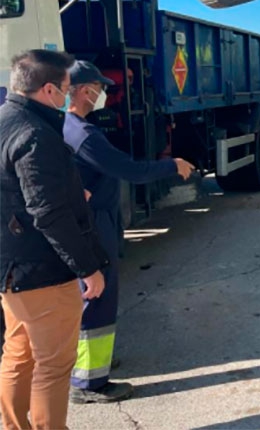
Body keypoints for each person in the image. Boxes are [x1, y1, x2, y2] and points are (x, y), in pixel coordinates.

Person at [62, 60, 195, 404]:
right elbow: (128, 170)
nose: (103, 93)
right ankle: (90, 383)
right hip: (94, 225)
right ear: (82, 91)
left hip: (89, 219)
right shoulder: (84, 135)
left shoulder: (67, 127)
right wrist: (172, 165)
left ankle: (90, 366)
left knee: (87, 297)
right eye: (99, 87)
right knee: (98, 299)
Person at [0, 49, 108, 429]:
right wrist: (88, 267)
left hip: (11, 267)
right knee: (54, 365)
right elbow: (48, 213)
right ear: (48, 90)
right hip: (42, 269)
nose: (69, 94)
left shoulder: (5, 119)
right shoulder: (36, 134)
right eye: (66, 87)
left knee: (19, 353)